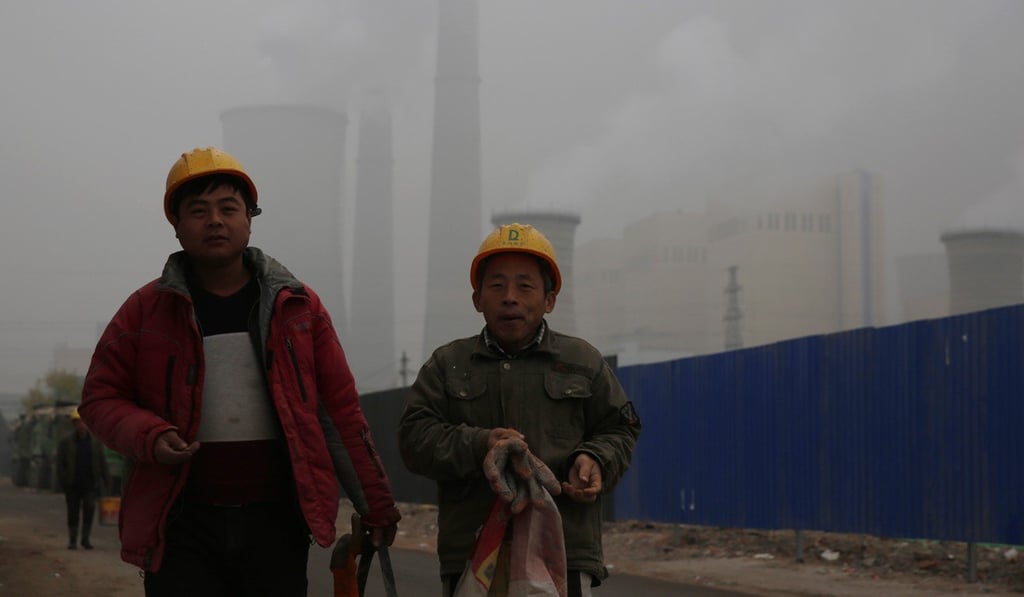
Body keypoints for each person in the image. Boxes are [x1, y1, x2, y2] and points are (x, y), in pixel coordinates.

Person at [79, 147, 401, 596]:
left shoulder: (299, 310)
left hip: (276, 522)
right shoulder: (144, 313)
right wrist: (149, 435)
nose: (214, 220)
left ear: (249, 219)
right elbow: (99, 398)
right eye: (198, 211)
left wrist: (377, 507)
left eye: (228, 209)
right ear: (176, 226)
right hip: (181, 523)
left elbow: (341, 412)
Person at [398, 223, 641, 596]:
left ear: (549, 300)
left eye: (525, 286)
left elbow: (620, 427)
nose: (509, 297)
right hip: (474, 556)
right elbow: (415, 438)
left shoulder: (582, 362)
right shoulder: (448, 364)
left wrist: (595, 458)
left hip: (562, 555)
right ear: (477, 299)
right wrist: (480, 444)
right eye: (496, 286)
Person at [56, 408, 111, 550]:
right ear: (74, 424)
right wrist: (63, 482)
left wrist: (106, 480)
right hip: (73, 485)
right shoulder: (66, 442)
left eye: (84, 422)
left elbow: (102, 462)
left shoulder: (95, 442)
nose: (81, 425)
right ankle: (73, 540)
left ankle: (85, 539)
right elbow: (60, 465)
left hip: (90, 484)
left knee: (89, 510)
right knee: (73, 512)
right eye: (78, 422)